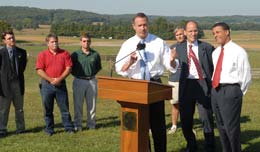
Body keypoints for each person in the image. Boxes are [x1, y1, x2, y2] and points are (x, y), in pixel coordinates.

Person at [115, 12, 178, 152]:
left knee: (158, 126)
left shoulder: (158, 42)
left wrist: (173, 60)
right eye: (140, 25)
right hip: (135, 86)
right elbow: (119, 68)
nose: (143, 28)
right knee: (139, 126)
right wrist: (130, 62)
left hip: (154, 85)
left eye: (145, 25)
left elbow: (171, 65)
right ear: (134, 27)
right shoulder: (128, 44)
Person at [175, 21, 215, 152]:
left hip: (202, 83)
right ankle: (191, 145)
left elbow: (213, 68)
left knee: (206, 118)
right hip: (186, 86)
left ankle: (209, 146)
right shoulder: (177, 48)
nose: (193, 33)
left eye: (195, 31)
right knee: (186, 119)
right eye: (190, 31)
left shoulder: (207, 47)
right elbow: (171, 65)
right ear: (185, 32)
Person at [211, 22, 251, 152]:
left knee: (231, 127)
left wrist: (236, 93)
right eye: (213, 33)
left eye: (218, 32)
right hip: (216, 91)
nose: (215, 36)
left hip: (231, 91)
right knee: (221, 126)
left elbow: (246, 75)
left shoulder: (239, 51)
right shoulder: (216, 52)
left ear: (227, 32)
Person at [36, 33, 74, 136]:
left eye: (56, 41)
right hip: (46, 85)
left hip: (61, 84)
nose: (55, 44)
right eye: (52, 42)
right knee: (48, 109)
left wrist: (60, 79)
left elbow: (69, 68)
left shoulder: (65, 53)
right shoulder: (42, 55)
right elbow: (39, 70)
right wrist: (51, 80)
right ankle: (49, 129)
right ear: (47, 43)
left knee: (64, 108)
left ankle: (69, 128)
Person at [71, 33, 102, 131]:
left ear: (90, 42)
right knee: (78, 104)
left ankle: (91, 125)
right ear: (80, 42)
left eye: (88, 41)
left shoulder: (95, 54)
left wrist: (90, 75)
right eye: (84, 41)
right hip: (79, 80)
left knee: (92, 104)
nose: (86, 43)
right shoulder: (75, 55)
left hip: (92, 81)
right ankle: (78, 125)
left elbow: (97, 68)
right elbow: (71, 68)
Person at [0, 30, 27, 137]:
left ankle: (20, 128)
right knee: (3, 110)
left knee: (19, 109)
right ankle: (2, 129)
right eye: (9, 38)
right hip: (4, 85)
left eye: (13, 37)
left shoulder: (22, 52)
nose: (12, 40)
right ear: (4, 41)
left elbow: (22, 69)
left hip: (18, 84)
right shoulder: (1, 54)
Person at [167, 27, 186, 134]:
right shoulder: (172, 48)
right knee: (175, 103)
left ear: (185, 34)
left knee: (187, 105)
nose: (179, 36)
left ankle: (188, 126)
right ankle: (174, 125)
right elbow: (170, 65)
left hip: (187, 79)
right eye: (177, 34)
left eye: (181, 34)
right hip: (175, 79)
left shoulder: (189, 46)